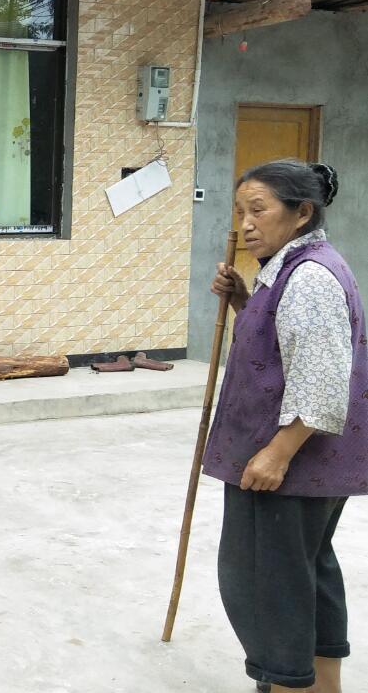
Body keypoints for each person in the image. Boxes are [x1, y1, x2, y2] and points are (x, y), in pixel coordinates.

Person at [206, 159, 365, 693]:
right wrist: (243, 302)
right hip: (307, 468)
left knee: (267, 582)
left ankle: (289, 683)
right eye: (240, 212)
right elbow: (284, 346)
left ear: (302, 214)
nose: (247, 224)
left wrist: (278, 452)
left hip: (288, 467)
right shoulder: (292, 269)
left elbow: (321, 380)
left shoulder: (310, 277)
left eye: (259, 210)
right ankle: (321, 686)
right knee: (305, 571)